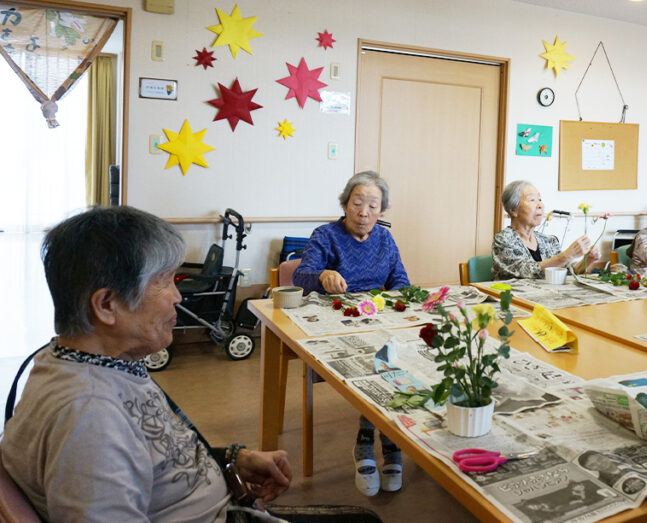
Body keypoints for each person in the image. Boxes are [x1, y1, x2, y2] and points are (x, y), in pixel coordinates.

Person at [1, 207, 295, 521]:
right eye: (165, 281)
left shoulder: (75, 360)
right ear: (107, 305)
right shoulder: (89, 415)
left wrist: (231, 459)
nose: (177, 297)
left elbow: (147, 455)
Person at [292, 171, 407, 497]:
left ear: (382, 210)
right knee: (375, 361)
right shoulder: (326, 235)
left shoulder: (385, 239)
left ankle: (382, 437)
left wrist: (395, 301)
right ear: (345, 204)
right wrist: (323, 275)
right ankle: (369, 440)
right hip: (335, 322)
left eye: (373, 205)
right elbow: (301, 276)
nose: (364, 211)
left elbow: (401, 282)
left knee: (397, 356)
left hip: (376, 318)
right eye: (357, 203)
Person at [491, 180, 599, 279]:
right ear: (514, 210)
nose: (540, 205)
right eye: (532, 200)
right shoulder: (503, 240)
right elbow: (525, 272)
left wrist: (587, 260)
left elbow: (568, 272)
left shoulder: (549, 241)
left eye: (540, 199)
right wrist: (566, 255)